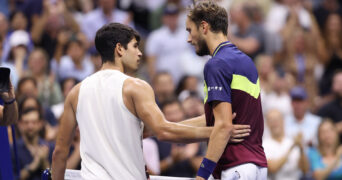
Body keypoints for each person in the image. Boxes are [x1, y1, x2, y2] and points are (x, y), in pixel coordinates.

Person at [51, 23, 250, 180]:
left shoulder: (75, 93)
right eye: (135, 46)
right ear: (119, 49)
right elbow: (163, 131)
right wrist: (219, 132)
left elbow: (60, 152)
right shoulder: (135, 86)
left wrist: (212, 120)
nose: (140, 53)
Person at [185, 1, 267, 179]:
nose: (189, 39)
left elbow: (223, 126)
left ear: (204, 27)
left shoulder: (216, 64)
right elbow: (217, 120)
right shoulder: (245, 60)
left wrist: (202, 175)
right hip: (257, 167)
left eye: (190, 30)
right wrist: (166, 127)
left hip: (235, 166)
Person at [263, 109, 309, 180]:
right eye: (271, 120)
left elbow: (305, 170)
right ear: (267, 124)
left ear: (283, 121)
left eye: (277, 119)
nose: (275, 123)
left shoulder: (291, 141)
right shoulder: (264, 144)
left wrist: (301, 148)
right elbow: (273, 168)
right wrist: (292, 148)